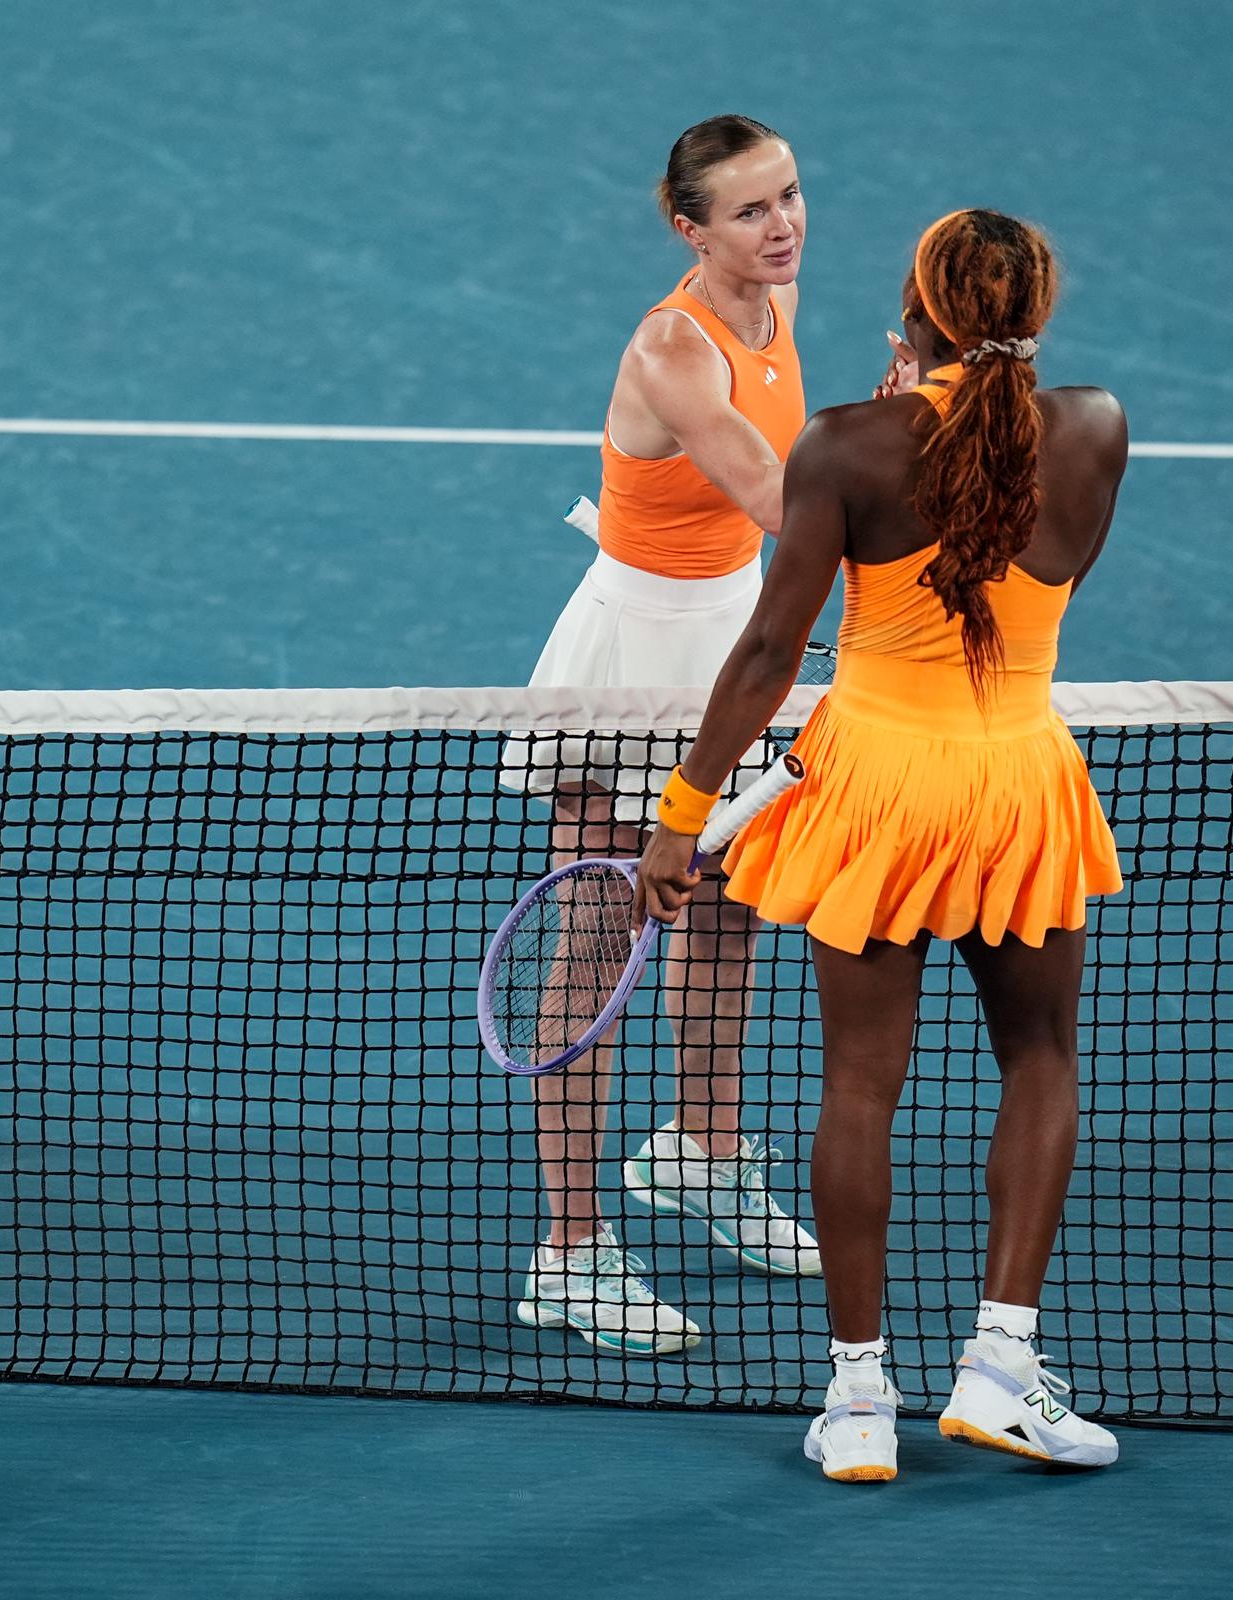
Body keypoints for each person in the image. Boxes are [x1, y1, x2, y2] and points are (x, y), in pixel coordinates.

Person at [636, 209, 1130, 1480]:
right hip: (1020, 782)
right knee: (1039, 1056)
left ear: (916, 311)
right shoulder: (1096, 429)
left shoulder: (848, 444)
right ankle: (1000, 1369)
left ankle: (861, 1402)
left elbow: (766, 653)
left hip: (879, 795)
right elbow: (1027, 569)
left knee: (860, 1083)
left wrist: (682, 821)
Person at [506, 114, 823, 1357]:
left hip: (734, 634)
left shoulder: (773, 304)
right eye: (749, 211)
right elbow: (776, 490)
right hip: (637, 665)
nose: (783, 224)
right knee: (595, 948)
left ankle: (702, 1150)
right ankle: (570, 1251)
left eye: (789, 195)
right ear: (688, 228)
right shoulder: (673, 347)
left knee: (732, 908)